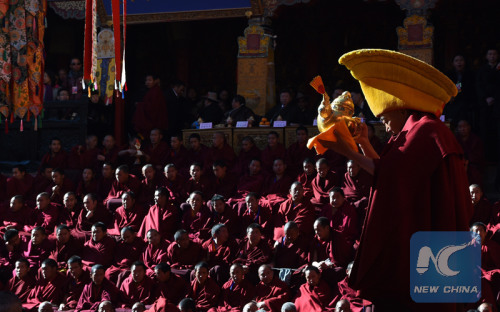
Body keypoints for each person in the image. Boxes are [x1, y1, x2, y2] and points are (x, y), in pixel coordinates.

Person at [318, 49, 472, 311]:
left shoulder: (426, 130)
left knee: (429, 303)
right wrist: (364, 142)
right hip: (428, 230)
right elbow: (392, 170)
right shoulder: (418, 130)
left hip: (431, 235)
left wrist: (347, 151)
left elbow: (390, 176)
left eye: (385, 119)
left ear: (400, 108)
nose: (386, 127)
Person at [133, 74, 168, 138]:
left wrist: (140, 105)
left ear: (155, 81)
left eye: (150, 80)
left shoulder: (156, 91)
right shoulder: (150, 91)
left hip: (153, 122)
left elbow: (153, 108)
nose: (147, 82)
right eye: (146, 80)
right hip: (150, 121)